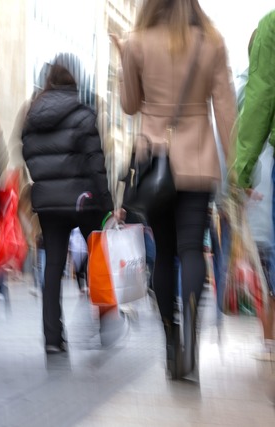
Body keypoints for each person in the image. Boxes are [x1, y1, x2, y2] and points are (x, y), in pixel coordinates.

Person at [114, 0, 236, 379]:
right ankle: (192, 341)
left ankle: (171, 342)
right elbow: (226, 108)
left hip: (155, 163)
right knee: (191, 248)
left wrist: (125, 61)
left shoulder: (138, 42)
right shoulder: (212, 41)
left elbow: (130, 105)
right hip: (198, 160)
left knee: (164, 254)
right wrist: (235, 167)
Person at [21, 55, 114, 354]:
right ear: (73, 85)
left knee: (53, 269)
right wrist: (107, 203)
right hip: (81, 200)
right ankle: (106, 320)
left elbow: (28, 154)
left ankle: (52, 338)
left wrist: (44, 181)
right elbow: (95, 163)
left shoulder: (31, 117)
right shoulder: (84, 115)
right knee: (99, 252)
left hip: (48, 203)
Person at [233, 11, 275, 361]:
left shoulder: (271, 26)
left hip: (264, 178)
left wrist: (241, 174)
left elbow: (258, 104)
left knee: (268, 259)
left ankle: (268, 340)